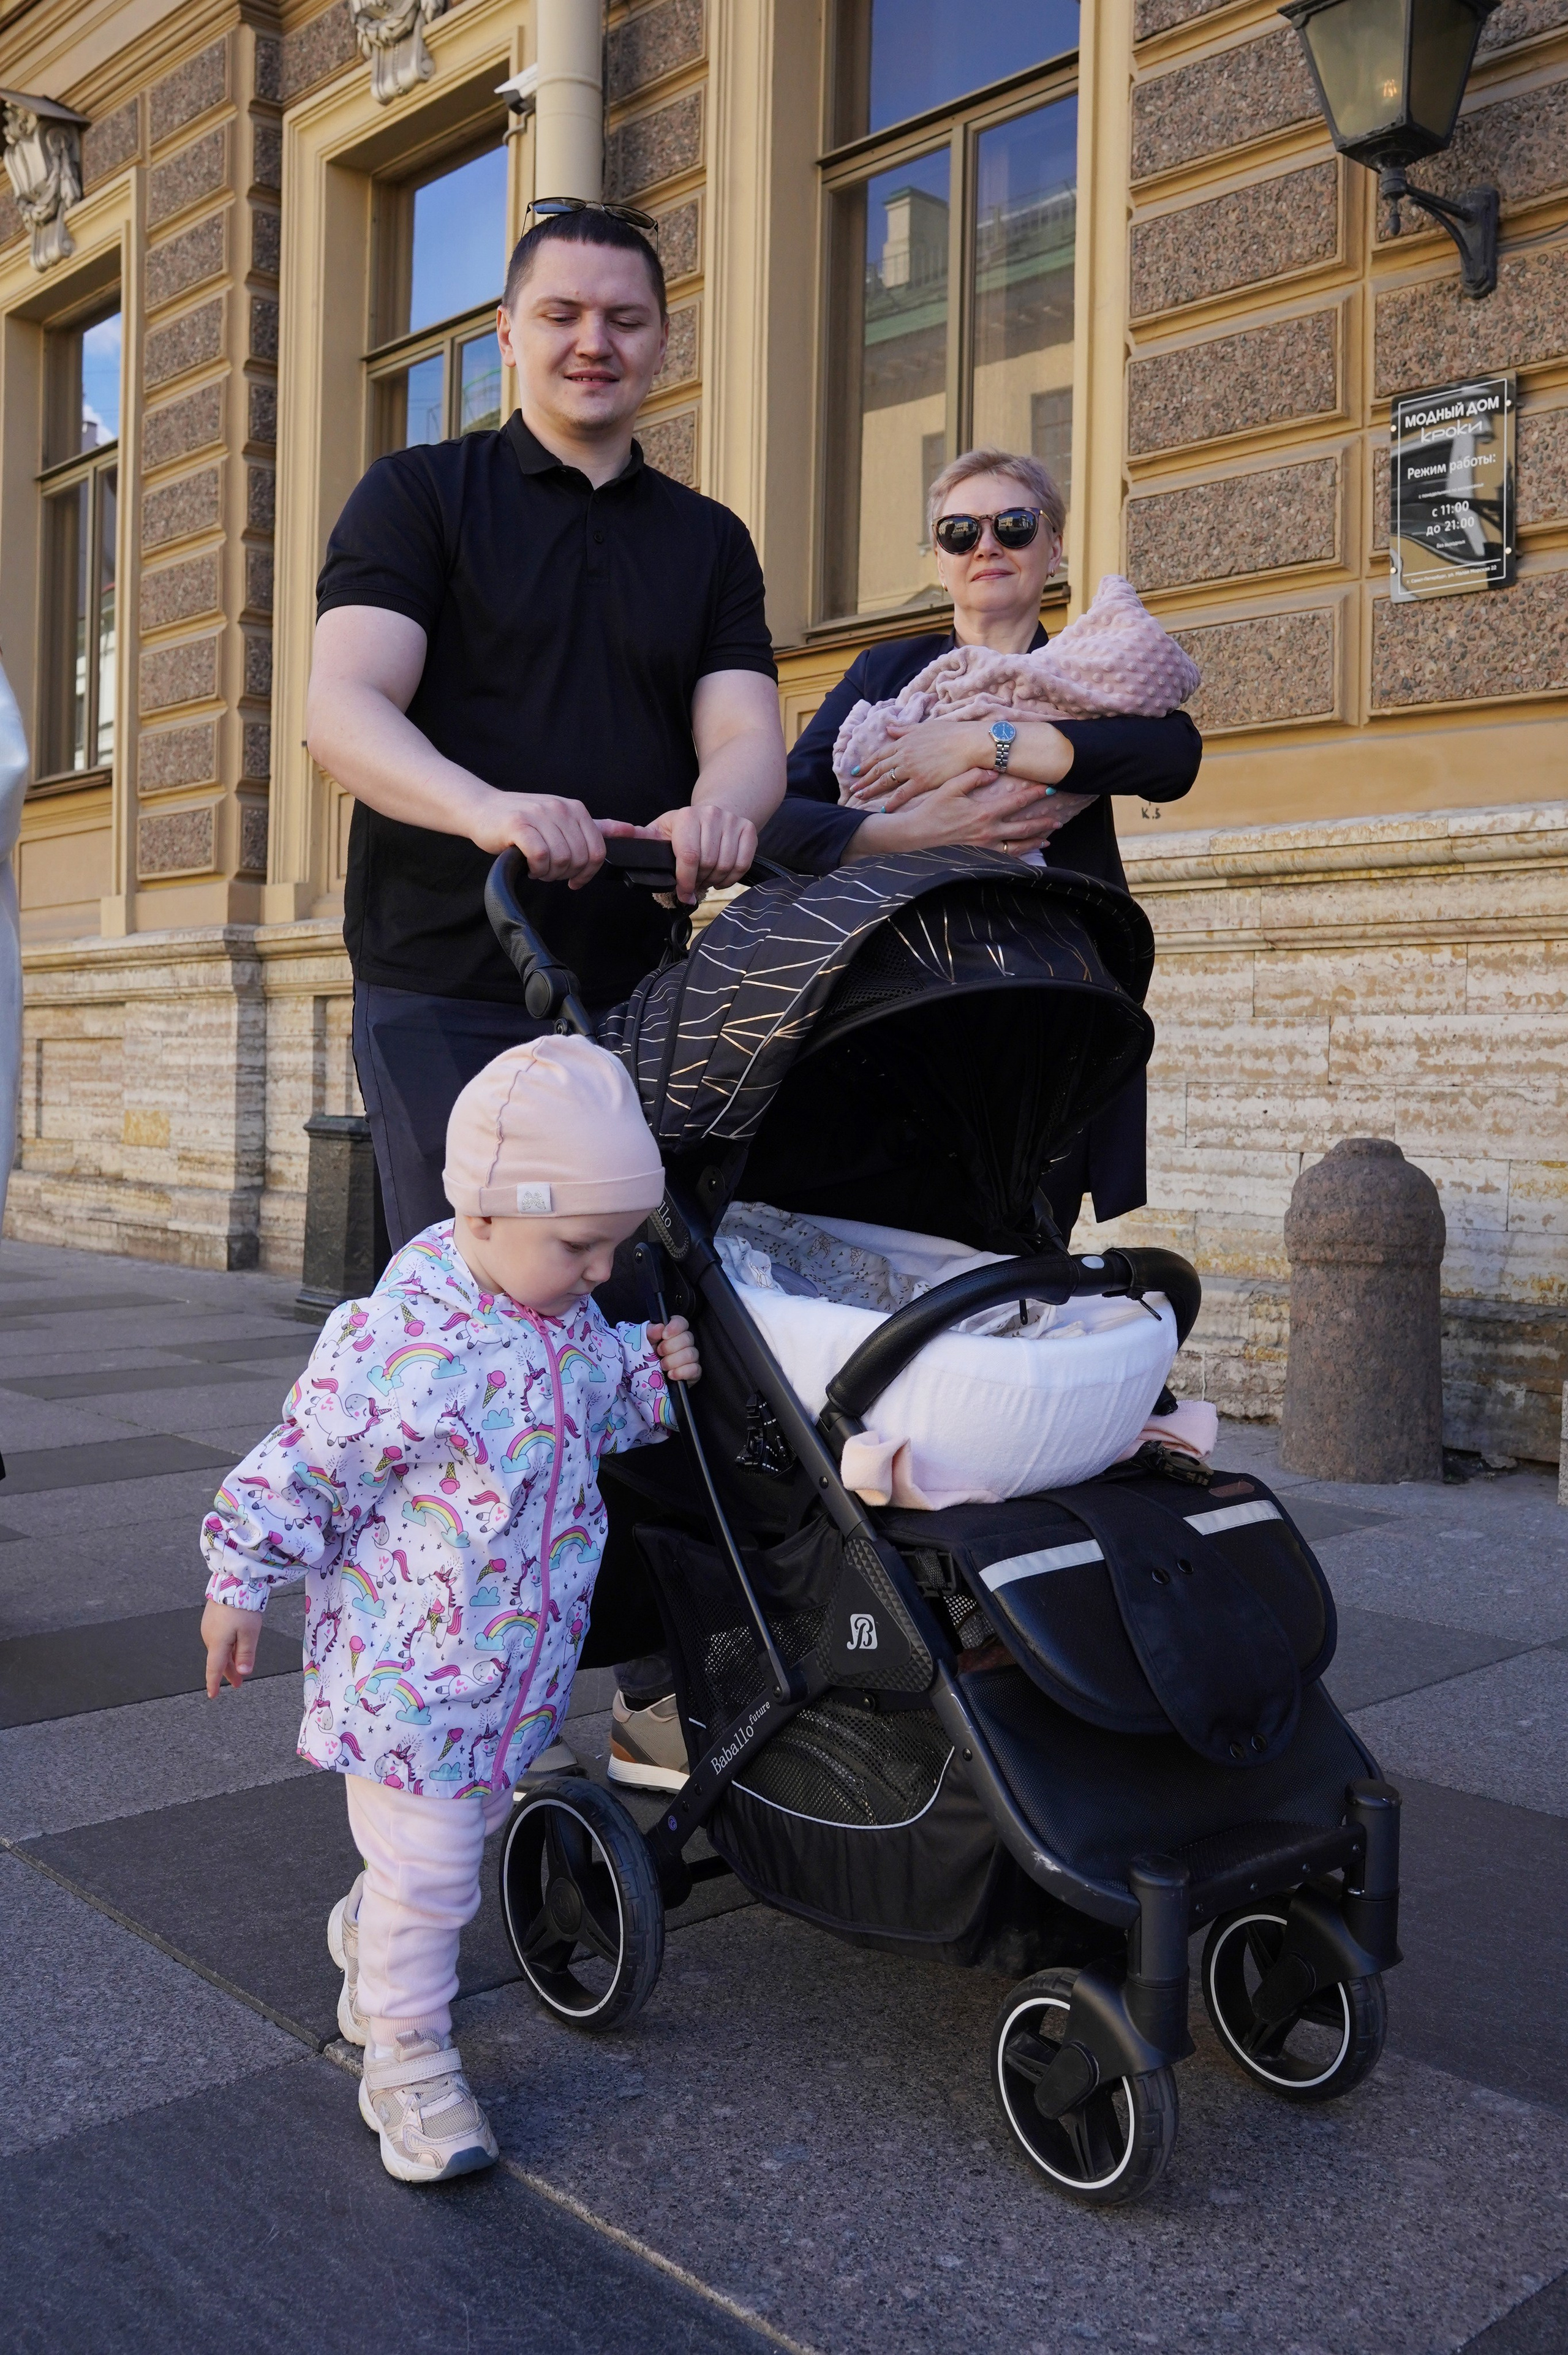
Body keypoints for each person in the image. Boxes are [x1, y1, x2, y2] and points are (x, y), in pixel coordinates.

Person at [605, 450, 1204, 1798]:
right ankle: (887, 1642)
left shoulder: (1097, 668)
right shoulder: (883, 674)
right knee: (872, 1378)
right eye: (957, 528)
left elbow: (1164, 753)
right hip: (870, 1036)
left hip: (1010, 1048)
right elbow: (781, 811)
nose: (983, 546)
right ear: (933, 550)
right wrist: (907, 819)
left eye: (1010, 526)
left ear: (1052, 548)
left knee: (1007, 1325)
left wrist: (989, 744)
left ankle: (1017, 1643)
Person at [198, 1037, 700, 2184]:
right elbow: (305, 1464)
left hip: (507, 1677)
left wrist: (643, 1371)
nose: (600, 1269)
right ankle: (408, 2055)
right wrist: (239, 1577)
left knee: (456, 1846)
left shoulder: (555, 1310)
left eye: (616, 1245)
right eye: (580, 1244)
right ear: (479, 1214)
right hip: (411, 1679)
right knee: (434, 1869)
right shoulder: (403, 1344)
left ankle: (382, 1931)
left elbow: (583, 1404)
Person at [306, 201, 786, 1252]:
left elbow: (746, 738)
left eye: (624, 318)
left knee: (631, 1316)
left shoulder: (710, 541)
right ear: (507, 333)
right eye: (562, 313)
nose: (593, 342)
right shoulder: (419, 495)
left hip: (637, 994)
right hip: (441, 980)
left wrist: (719, 816)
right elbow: (341, 710)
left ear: (662, 339)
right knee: (479, 1308)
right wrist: (488, 810)